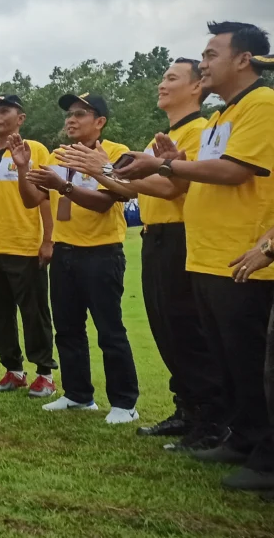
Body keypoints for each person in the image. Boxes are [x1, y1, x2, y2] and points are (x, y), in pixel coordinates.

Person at [116, 22, 274, 492]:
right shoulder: (227, 115)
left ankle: (266, 457)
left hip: (240, 254)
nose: (204, 63)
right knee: (227, 357)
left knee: (249, 360)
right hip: (206, 255)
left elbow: (231, 172)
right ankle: (242, 439)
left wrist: (162, 163)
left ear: (243, 59)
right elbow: (193, 179)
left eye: (211, 53)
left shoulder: (262, 105)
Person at [58, 59, 225, 450]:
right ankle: (188, 410)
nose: (161, 85)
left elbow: (171, 190)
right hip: (156, 236)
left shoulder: (203, 131)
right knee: (169, 330)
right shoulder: (161, 138)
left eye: (171, 78)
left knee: (188, 330)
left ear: (197, 87)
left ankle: (212, 420)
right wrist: (105, 171)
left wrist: (105, 168)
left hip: (182, 234)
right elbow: (135, 189)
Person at [16, 93, 140, 425]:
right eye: (69, 114)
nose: (71, 120)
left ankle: (125, 402)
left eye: (80, 114)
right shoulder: (58, 156)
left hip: (101, 254)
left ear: (99, 122)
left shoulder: (114, 153)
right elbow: (33, 200)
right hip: (65, 252)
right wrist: (23, 167)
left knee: (109, 330)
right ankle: (78, 395)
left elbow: (105, 202)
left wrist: (64, 187)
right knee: (68, 329)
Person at [0, 95, 58, 398]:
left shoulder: (36, 151)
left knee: (34, 313)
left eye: (4, 111)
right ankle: (14, 370)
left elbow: (45, 197)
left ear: (21, 118)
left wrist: (48, 239)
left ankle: (45, 373)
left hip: (25, 246)